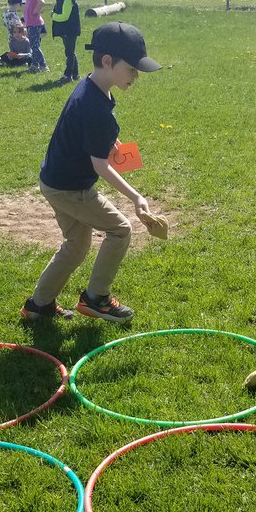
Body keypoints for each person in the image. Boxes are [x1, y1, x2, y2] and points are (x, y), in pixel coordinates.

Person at [21, 22, 162, 323]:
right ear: (108, 61)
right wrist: (137, 197)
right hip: (71, 188)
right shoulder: (95, 107)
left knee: (77, 244)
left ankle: (38, 305)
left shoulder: (93, 87)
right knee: (121, 230)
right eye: (133, 70)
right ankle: (96, 298)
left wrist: (111, 142)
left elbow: (88, 134)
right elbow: (101, 165)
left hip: (55, 180)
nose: (136, 77)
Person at [48, 0, 81, 85]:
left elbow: (64, 16)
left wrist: (54, 16)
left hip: (69, 29)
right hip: (66, 29)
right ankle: (76, 74)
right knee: (70, 51)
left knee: (69, 53)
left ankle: (68, 75)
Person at [20, 0, 48, 74]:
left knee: (35, 46)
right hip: (30, 23)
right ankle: (35, 65)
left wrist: (35, 11)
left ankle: (43, 65)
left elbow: (41, 2)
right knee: (34, 45)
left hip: (35, 24)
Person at [0, 0, 31, 67]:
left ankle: (5, 60)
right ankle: (20, 62)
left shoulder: (5, 13)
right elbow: (19, 28)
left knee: (14, 53)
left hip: (10, 37)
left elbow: (5, 24)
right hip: (18, 37)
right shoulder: (13, 15)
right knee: (21, 54)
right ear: (17, 4)